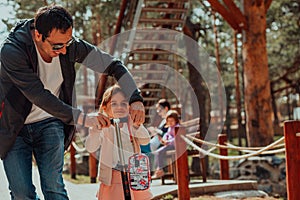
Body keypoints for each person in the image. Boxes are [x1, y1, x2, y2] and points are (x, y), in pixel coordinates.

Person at [0, 5, 145, 200]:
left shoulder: (69, 47)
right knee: (21, 193)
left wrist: (135, 97)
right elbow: (38, 95)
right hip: (14, 127)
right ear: (38, 35)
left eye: (67, 42)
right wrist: (83, 118)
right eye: (57, 46)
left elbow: (113, 65)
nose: (64, 50)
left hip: (50, 122)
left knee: (53, 187)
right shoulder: (12, 52)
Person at [85, 84, 152, 200]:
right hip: (113, 175)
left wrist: (138, 127)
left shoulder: (131, 125)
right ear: (105, 107)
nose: (119, 107)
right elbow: (91, 147)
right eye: (114, 103)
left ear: (130, 107)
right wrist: (94, 132)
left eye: (124, 103)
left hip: (134, 174)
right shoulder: (104, 127)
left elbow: (145, 141)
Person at [151, 110, 180, 179]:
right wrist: (164, 140)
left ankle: (160, 169)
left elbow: (177, 138)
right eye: (168, 121)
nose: (170, 122)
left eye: (172, 121)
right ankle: (159, 169)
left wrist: (169, 142)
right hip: (169, 145)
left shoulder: (177, 127)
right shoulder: (170, 128)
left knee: (159, 152)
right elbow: (167, 135)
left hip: (175, 146)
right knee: (158, 152)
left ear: (176, 120)